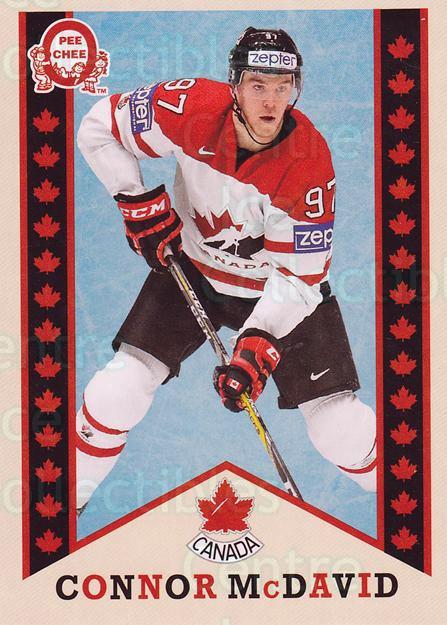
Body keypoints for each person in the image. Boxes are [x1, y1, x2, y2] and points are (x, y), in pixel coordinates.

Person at [76, 27, 376, 515]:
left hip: (280, 293)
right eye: (258, 85)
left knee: (339, 430)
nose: (271, 101)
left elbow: (299, 279)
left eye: (282, 87)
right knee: (116, 391)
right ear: (234, 85)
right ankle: (64, 504)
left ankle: (410, 507)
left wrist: (257, 343)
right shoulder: (187, 108)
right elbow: (98, 127)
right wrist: (133, 198)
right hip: (194, 271)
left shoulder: (308, 163)